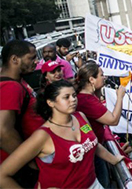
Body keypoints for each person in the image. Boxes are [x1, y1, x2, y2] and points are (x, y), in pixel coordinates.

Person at [0, 80, 123, 189]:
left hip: (94, 184)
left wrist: (115, 159)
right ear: (51, 103)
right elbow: (2, 175)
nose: (73, 99)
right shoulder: (42, 136)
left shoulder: (80, 117)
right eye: (66, 97)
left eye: (74, 95)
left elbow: (92, 143)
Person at [0, 40, 43, 188]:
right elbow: (3, 131)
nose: (36, 62)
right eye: (31, 58)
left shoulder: (19, 82)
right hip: (21, 171)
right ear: (14, 59)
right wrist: (30, 163)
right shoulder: (10, 87)